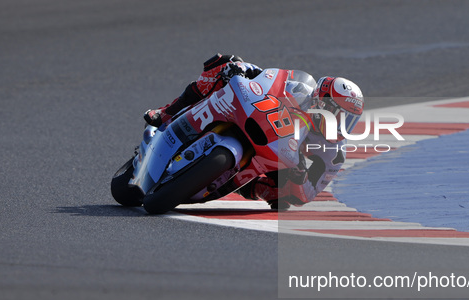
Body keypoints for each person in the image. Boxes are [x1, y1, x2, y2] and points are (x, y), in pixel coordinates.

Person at [144, 53, 364, 210]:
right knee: (225, 63)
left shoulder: (334, 151)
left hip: (282, 158)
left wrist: (299, 177)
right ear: (321, 102)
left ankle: (243, 186)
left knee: (283, 200)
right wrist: (241, 70)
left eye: (349, 119)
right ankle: (166, 112)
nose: (341, 124)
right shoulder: (301, 89)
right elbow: (266, 77)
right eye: (338, 114)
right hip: (262, 121)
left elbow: (307, 194)